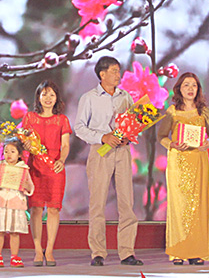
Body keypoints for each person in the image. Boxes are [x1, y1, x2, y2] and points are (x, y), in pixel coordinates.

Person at [74, 56, 143, 267]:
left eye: (118, 71)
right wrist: (103, 137)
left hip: (122, 151)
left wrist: (132, 131)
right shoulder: (89, 98)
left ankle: (127, 252)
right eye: (114, 71)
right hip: (100, 151)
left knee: (127, 203)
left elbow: (134, 123)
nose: (118, 75)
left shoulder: (126, 97)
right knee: (97, 203)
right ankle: (98, 252)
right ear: (102, 74)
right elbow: (79, 128)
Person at [157, 72, 209, 265]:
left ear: (198, 89)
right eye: (186, 85)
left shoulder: (204, 111)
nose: (190, 89)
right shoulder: (172, 111)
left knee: (198, 206)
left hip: (199, 160)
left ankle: (197, 252)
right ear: (179, 89)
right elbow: (162, 136)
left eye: (194, 85)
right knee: (179, 206)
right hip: (178, 162)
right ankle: (178, 252)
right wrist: (172, 145)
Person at [20, 80, 72, 267]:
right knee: (35, 209)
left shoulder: (62, 120)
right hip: (34, 168)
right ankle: (36, 250)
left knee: (53, 209)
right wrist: (25, 144)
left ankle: (49, 250)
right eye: (44, 94)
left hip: (55, 168)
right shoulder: (30, 118)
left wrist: (61, 161)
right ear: (38, 97)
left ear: (57, 97)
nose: (48, 98)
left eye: (51, 94)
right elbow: (23, 141)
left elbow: (65, 145)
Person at [0, 136, 35, 267]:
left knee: (14, 232)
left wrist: (26, 186)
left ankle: (14, 256)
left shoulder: (23, 169)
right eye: (6, 151)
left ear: (19, 154)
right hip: (1, 200)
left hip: (15, 201)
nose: (9, 155)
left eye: (12, 151)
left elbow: (30, 186)